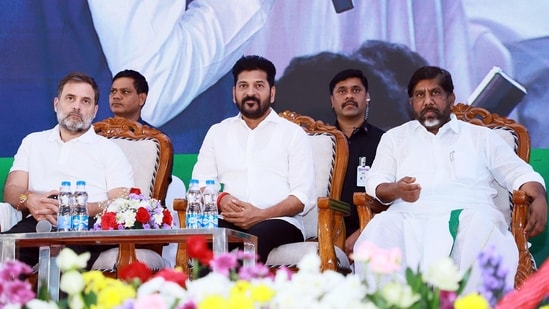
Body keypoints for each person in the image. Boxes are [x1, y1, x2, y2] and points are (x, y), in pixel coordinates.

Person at [353, 66, 547, 290]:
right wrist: (396, 189)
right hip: (410, 217)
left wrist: (539, 198)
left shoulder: (481, 136)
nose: (427, 101)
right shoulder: (395, 138)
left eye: (435, 93)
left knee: (483, 226)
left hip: (469, 215)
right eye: (419, 95)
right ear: (411, 103)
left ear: (451, 98)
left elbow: (520, 173)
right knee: (380, 228)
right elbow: (375, 183)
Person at [191, 55, 317, 263]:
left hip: (279, 222)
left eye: (259, 85)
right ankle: (206, 295)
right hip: (228, 220)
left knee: (254, 240)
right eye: (243, 86)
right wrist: (221, 200)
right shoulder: (217, 132)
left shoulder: (293, 134)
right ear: (234, 94)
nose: (250, 93)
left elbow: (303, 196)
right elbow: (200, 187)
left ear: (272, 92)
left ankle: (241, 295)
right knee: (203, 239)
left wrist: (262, 214)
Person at [2, 72, 134, 268]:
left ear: (95, 110)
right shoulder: (33, 142)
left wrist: (86, 209)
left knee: (66, 262)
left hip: (87, 226)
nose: (76, 106)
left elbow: (122, 200)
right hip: (40, 220)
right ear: (57, 103)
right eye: (70, 98)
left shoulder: (109, 149)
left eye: (85, 101)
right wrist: (28, 199)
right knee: (5, 252)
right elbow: (12, 190)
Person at [328, 69, 385, 256]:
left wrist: (364, 231)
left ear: (367, 96)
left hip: (371, 228)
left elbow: (393, 197)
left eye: (356, 90)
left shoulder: (385, 141)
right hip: (324, 227)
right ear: (332, 101)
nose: (349, 96)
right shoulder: (320, 140)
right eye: (342, 91)